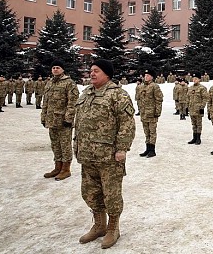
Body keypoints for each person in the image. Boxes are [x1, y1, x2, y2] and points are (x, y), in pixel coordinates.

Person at [74, 59, 135, 249]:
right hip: (87, 155)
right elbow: (79, 122)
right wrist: (76, 144)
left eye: (96, 71)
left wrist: (122, 149)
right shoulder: (86, 93)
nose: (92, 73)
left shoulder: (118, 95)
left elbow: (127, 124)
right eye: (91, 70)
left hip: (108, 156)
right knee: (91, 192)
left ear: (107, 74)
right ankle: (99, 225)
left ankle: (113, 228)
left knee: (111, 194)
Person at [41, 60, 79, 181]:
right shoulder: (49, 83)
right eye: (53, 68)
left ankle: (66, 169)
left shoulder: (69, 83)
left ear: (63, 69)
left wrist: (68, 119)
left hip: (63, 121)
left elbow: (73, 103)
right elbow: (45, 102)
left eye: (58, 67)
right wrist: (43, 117)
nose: (55, 69)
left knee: (65, 145)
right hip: (51, 120)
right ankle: (57, 167)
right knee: (55, 145)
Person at [137, 68, 163, 158]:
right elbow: (139, 99)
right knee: (146, 132)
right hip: (144, 113)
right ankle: (147, 149)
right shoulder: (141, 86)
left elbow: (159, 99)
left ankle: (152, 150)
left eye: (148, 75)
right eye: (145, 75)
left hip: (152, 113)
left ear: (152, 77)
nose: (146, 77)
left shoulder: (155, 86)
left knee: (152, 132)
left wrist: (157, 112)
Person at [187, 72, 209, 145]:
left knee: (198, 124)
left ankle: (198, 138)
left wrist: (202, 107)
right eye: (193, 78)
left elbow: (205, 98)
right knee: (193, 124)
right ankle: (194, 137)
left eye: (196, 78)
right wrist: (187, 107)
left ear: (199, 79)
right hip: (191, 108)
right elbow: (188, 98)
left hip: (198, 109)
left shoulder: (202, 88)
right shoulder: (190, 88)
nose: (194, 80)